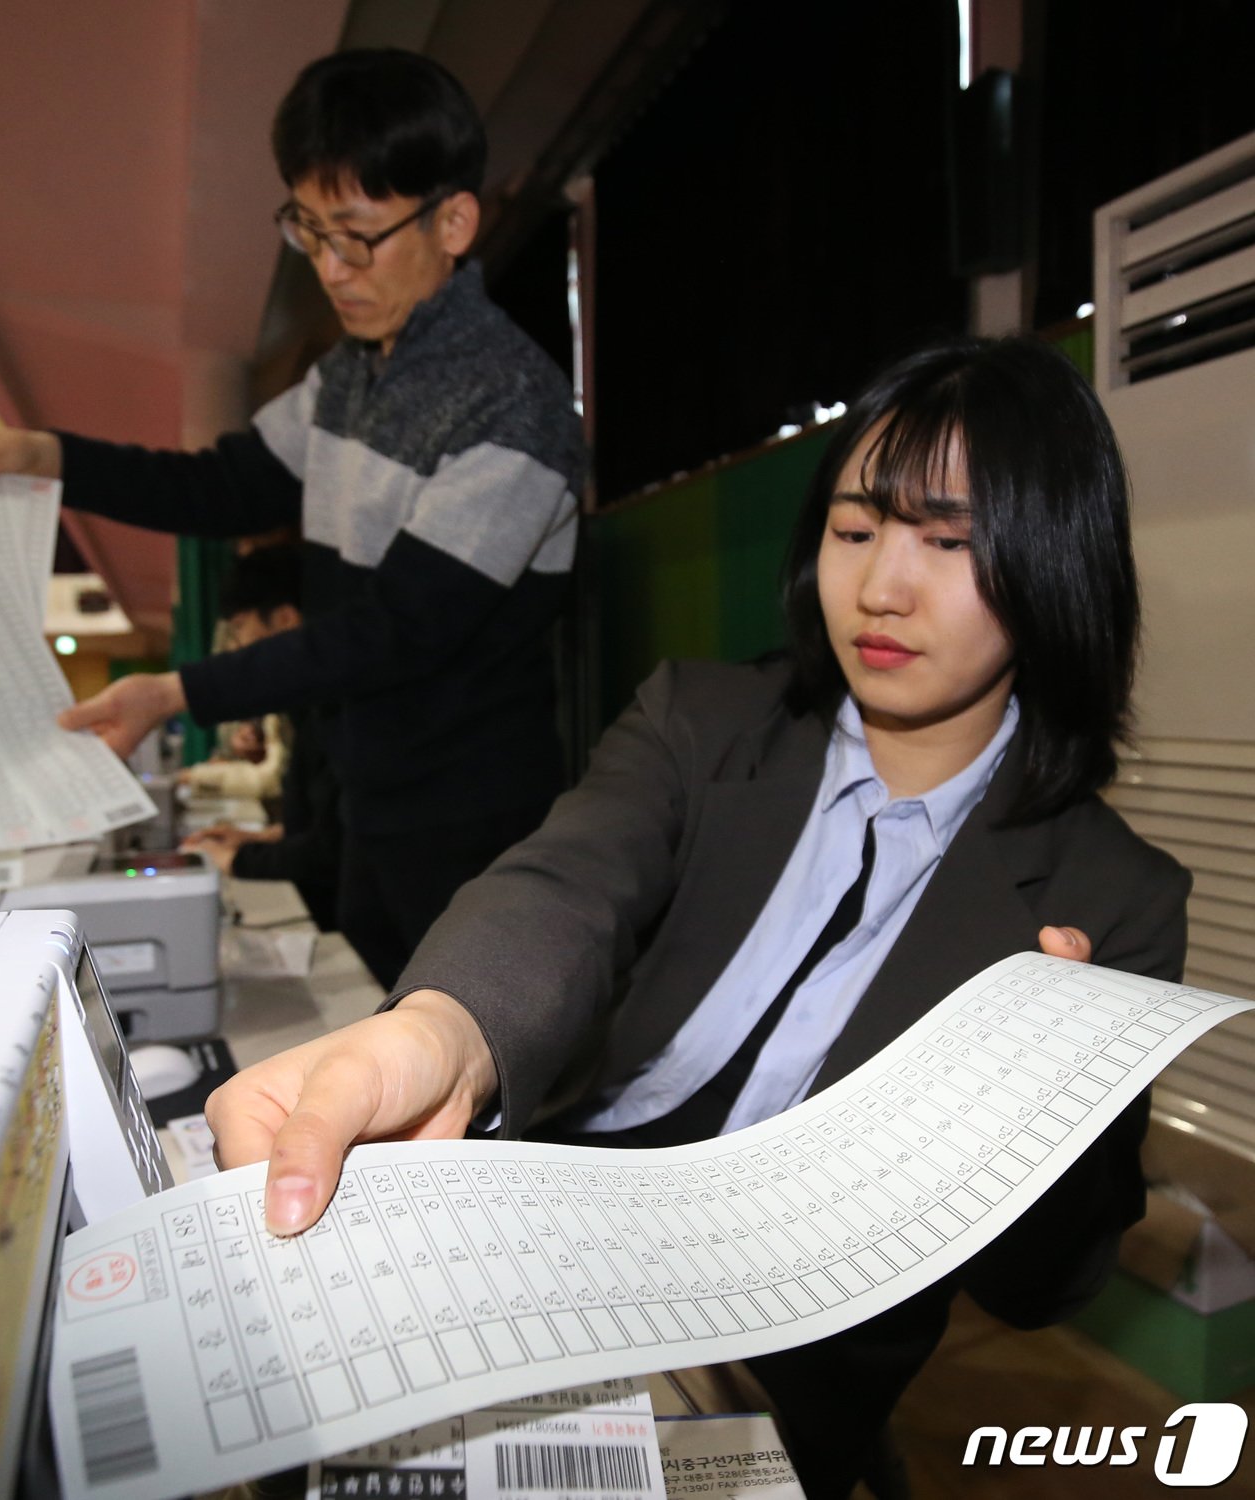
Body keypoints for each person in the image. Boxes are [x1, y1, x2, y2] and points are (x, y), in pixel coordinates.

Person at [205, 335, 1191, 1498]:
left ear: (1050, 565)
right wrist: (441, 1032)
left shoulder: (1108, 899)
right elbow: (563, 885)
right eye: (855, 527)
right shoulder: (701, 718)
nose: (880, 587)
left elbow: (1041, 1290)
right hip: (558, 1211)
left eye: (949, 542)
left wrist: (1041, 1104)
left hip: (780, 1360)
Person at [0, 48, 585, 987]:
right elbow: (223, 485)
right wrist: (51, 458)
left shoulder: (514, 406)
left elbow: (400, 629)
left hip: (468, 823)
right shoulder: (353, 375)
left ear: (453, 221)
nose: (330, 268)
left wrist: (176, 692)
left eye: (356, 237)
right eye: (309, 232)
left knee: (461, 1092)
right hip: (369, 800)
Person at [180, 544, 341, 931]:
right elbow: (326, 824)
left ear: (285, 619)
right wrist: (262, 839)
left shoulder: (339, 714)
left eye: (239, 629)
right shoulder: (312, 709)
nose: (236, 650)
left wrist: (237, 859)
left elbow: (336, 849)